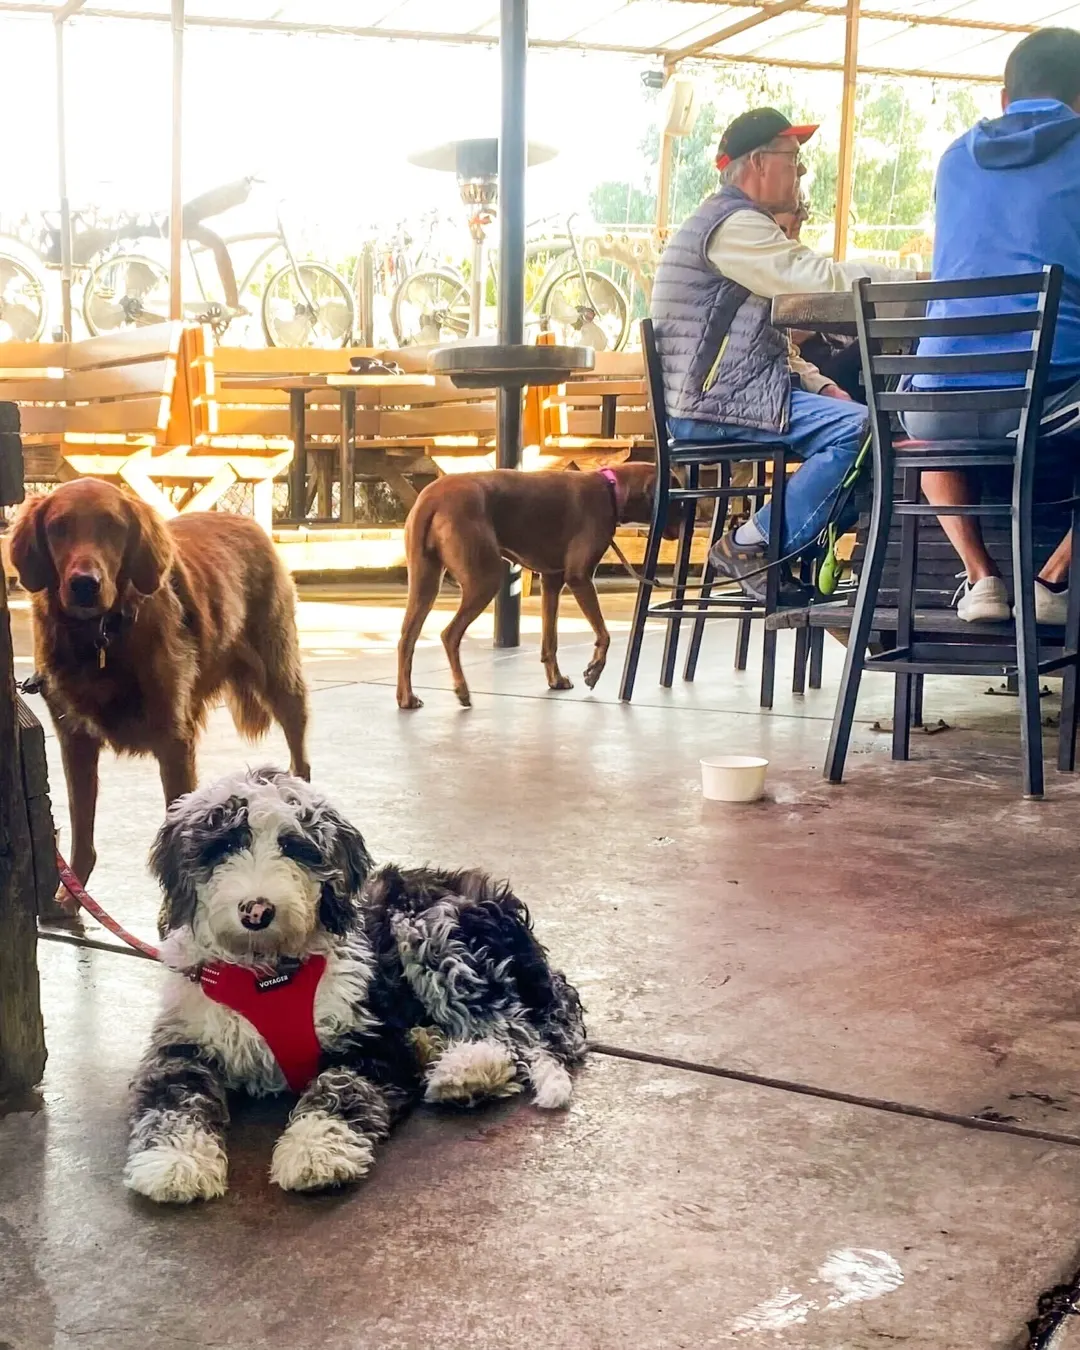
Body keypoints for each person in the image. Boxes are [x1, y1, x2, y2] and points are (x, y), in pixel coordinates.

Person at [650, 107, 909, 603]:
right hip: (715, 403)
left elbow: (764, 345)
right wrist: (913, 278)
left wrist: (819, 384)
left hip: (726, 394)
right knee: (864, 431)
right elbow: (814, 281)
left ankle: (791, 567)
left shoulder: (733, 225)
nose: (801, 174)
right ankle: (755, 546)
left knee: (879, 435)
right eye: (794, 160)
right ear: (758, 163)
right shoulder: (733, 225)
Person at [913, 27, 1080, 623]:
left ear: (1004, 97)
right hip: (1049, 405)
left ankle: (981, 576)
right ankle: (1053, 580)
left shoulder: (955, 159)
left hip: (937, 408)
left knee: (936, 417)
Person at [775, 200, 865, 403]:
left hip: (834, 349)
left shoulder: (802, 260)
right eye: (796, 208)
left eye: (804, 207)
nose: (804, 215)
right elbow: (791, 333)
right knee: (875, 345)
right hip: (815, 365)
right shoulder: (772, 268)